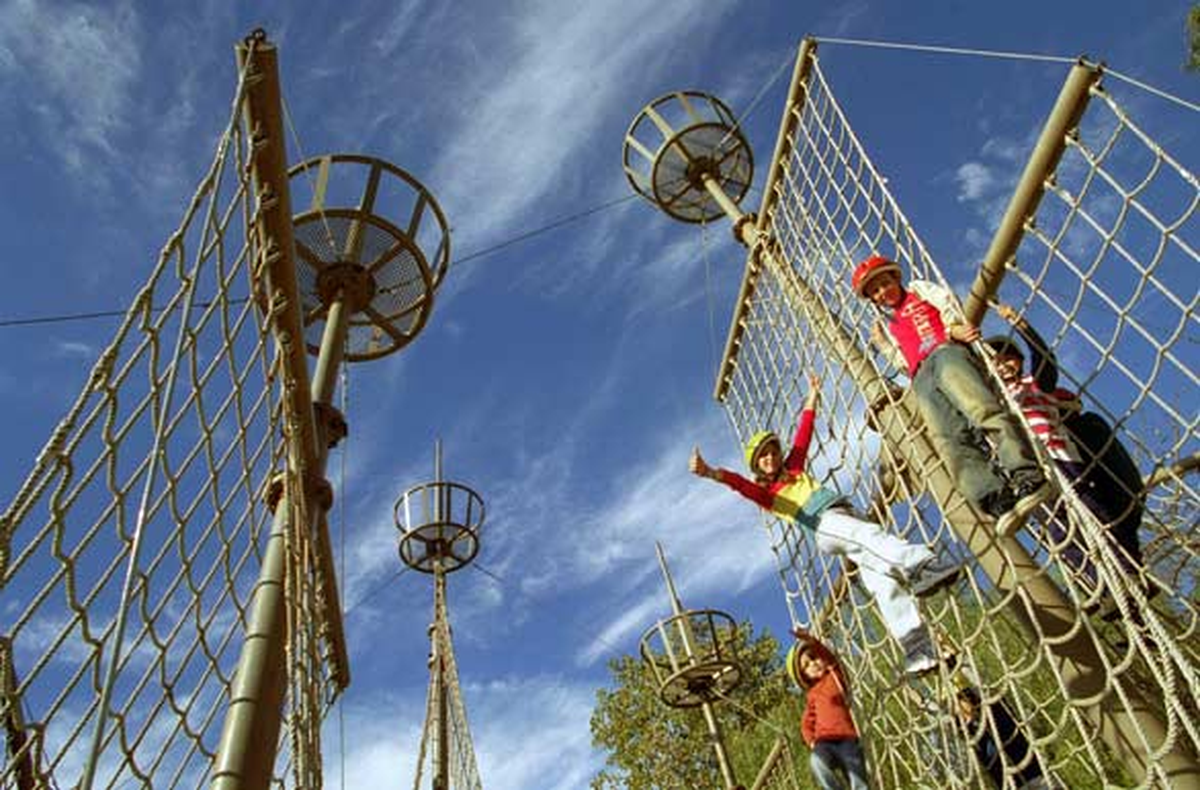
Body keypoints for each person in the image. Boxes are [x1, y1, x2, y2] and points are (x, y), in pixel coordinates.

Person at [690, 374, 959, 677]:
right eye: (762, 456)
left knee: (883, 582)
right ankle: (923, 562)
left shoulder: (794, 468)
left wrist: (813, 395)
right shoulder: (768, 495)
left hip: (844, 513)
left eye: (772, 451)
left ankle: (919, 650)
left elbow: (803, 433)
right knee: (868, 535)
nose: (769, 457)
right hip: (822, 525)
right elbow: (739, 484)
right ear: (756, 465)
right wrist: (710, 472)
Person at [851, 255, 1051, 535]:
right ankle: (994, 497)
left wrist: (953, 328)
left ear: (896, 278)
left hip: (944, 351)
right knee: (948, 438)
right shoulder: (887, 324)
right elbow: (900, 357)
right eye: (875, 291)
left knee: (980, 407)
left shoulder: (918, 291)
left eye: (885, 283)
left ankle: (1025, 471)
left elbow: (946, 303)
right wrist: (883, 344)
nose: (883, 292)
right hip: (920, 375)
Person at [984, 304, 1146, 608]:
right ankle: (1101, 587)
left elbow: (1045, 361)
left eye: (1008, 359)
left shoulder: (1034, 386)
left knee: (1094, 514)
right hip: (1027, 472)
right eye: (995, 362)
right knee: (1060, 532)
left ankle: (1126, 572)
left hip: (1059, 456)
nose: (1003, 366)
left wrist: (1022, 326)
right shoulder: (992, 401)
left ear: (1018, 362)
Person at [786, 628, 872, 790]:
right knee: (817, 763)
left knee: (857, 776)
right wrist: (812, 742)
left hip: (848, 739)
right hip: (824, 742)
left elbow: (829, 657)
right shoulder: (812, 695)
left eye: (813, 657)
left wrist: (812, 642)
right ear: (804, 676)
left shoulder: (835, 676)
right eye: (807, 665)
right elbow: (805, 724)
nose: (813, 663)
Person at [956, 686, 1050, 790]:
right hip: (1013, 784)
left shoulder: (997, 713)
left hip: (1034, 772)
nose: (963, 716)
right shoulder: (972, 736)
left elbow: (991, 694)